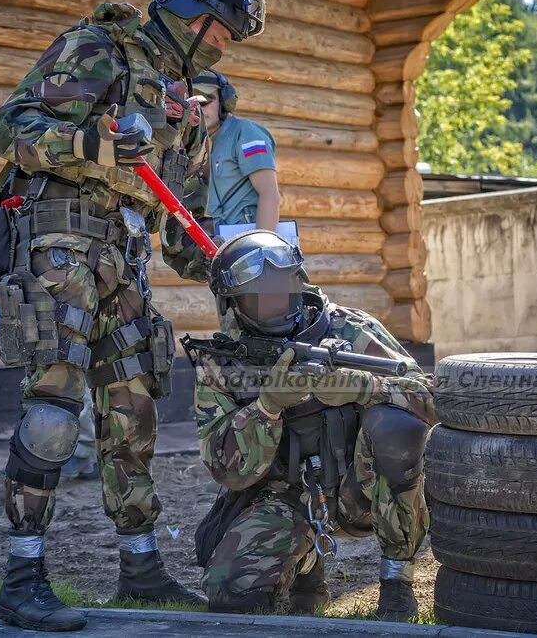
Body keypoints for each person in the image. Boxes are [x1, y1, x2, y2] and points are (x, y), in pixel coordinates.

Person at [0, 0, 265, 631]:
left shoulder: (183, 105)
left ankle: (140, 568)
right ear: (183, 15)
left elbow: (180, 224)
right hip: (62, 239)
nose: (222, 44)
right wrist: (90, 139)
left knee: (133, 411)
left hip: (125, 255)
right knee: (54, 409)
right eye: (216, 29)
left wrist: (238, 265)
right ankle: (22, 577)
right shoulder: (98, 50)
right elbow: (9, 126)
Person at [187, 230, 437, 620]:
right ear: (232, 304)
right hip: (284, 497)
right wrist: (268, 407)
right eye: (260, 298)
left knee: (397, 427)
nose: (275, 305)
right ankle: (304, 564)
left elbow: (427, 398)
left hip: (363, 488)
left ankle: (397, 582)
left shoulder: (347, 329)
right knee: (231, 594)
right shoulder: (222, 363)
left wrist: (362, 387)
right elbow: (225, 468)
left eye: (281, 291)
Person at [194, 70, 281, 231]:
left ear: (225, 102)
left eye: (205, 101)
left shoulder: (245, 133)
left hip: (247, 238)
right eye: (193, 103)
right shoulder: (207, 143)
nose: (199, 109)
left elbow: (270, 195)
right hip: (223, 240)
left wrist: (260, 245)